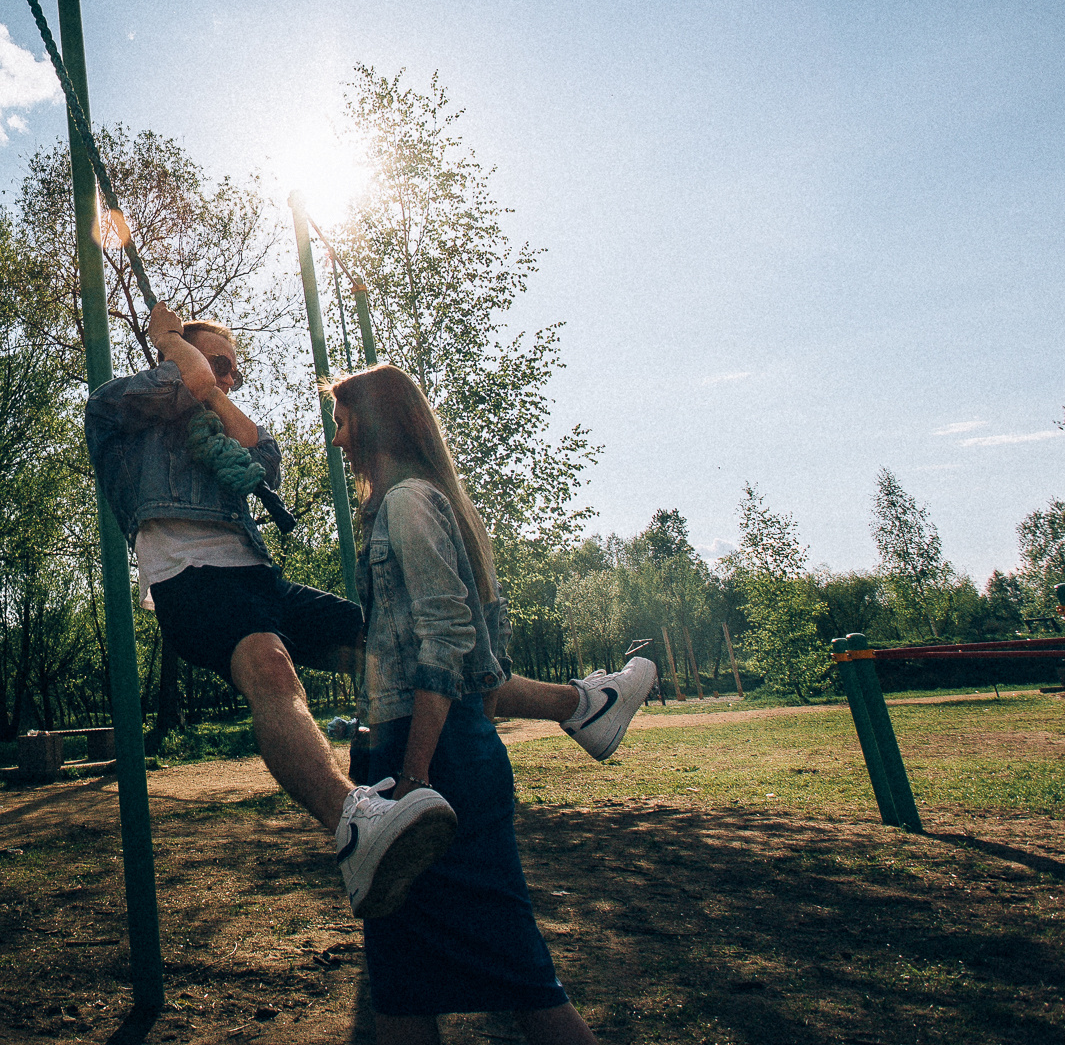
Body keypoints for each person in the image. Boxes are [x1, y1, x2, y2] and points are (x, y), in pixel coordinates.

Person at [84, 307, 652, 919]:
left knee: (408, 654)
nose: (227, 380)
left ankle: (582, 707)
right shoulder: (116, 407)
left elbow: (259, 452)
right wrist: (172, 341)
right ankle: (352, 823)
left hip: (257, 578)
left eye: (235, 373)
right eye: (220, 364)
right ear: (175, 353)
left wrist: (208, 382)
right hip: (190, 583)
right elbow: (188, 382)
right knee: (271, 668)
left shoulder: (226, 428)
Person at [332, 363, 599, 1045]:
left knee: (520, 976)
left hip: (435, 757)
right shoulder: (407, 503)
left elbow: (446, 640)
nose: (337, 439)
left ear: (371, 423)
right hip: (411, 751)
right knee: (399, 979)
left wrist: (417, 776)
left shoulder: (409, 504)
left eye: (341, 420)